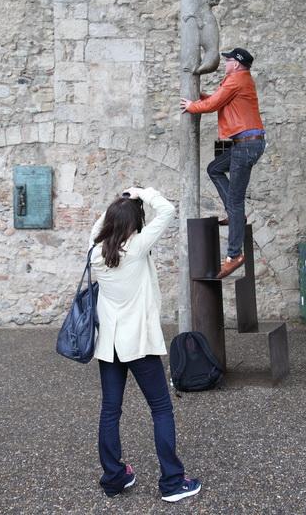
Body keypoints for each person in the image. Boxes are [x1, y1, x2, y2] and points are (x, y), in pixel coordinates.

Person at [89, 186, 201, 503]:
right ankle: (172, 483)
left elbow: (98, 228)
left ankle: (114, 478)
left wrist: (118, 203)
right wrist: (141, 192)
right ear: (133, 224)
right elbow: (166, 210)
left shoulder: (94, 251)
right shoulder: (136, 247)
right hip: (138, 344)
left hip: (108, 346)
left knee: (110, 411)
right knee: (161, 409)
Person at [180, 47, 265, 279]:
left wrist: (191, 106)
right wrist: (205, 98)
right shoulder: (239, 79)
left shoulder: (236, 79)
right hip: (246, 144)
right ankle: (234, 214)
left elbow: (212, 105)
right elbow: (221, 100)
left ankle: (234, 255)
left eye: (228, 60)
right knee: (214, 169)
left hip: (246, 145)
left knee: (236, 203)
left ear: (236, 64)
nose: (225, 62)